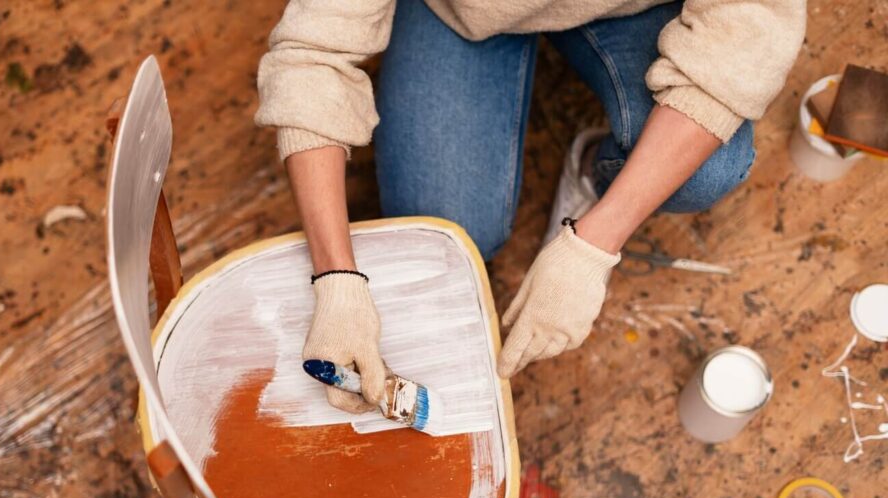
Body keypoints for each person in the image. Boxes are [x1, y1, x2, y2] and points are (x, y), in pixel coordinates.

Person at [255, 0, 805, 413]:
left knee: (705, 172)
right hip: (463, 11)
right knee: (449, 233)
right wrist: (336, 278)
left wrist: (595, 244)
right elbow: (313, 54)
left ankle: (600, 174)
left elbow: (746, 33)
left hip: (633, 8)